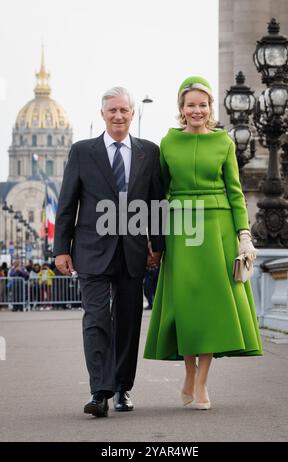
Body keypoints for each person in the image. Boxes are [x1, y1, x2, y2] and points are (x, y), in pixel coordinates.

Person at [144, 76, 263, 410]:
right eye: (190, 105)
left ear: (210, 108)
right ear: (181, 109)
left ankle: (201, 382)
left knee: (211, 304)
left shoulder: (224, 142)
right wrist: (155, 236)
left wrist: (243, 234)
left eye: (202, 104)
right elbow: (159, 192)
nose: (197, 110)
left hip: (218, 228)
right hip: (182, 227)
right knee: (185, 303)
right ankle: (188, 371)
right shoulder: (167, 143)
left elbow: (235, 192)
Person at [53, 86, 164, 418]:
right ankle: (99, 391)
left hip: (132, 252)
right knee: (97, 319)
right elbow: (67, 203)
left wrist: (156, 246)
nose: (118, 116)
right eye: (112, 110)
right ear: (102, 114)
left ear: (132, 114)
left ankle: (122, 389)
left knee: (128, 323)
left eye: (124, 111)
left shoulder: (149, 152)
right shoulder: (82, 152)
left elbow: (156, 204)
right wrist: (61, 249)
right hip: (90, 250)